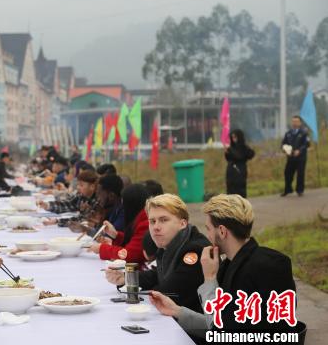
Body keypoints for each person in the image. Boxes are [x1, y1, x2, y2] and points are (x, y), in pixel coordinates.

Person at [148, 194, 297, 336]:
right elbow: (216, 325)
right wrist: (176, 311)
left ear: (222, 231)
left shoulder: (266, 267)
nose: (207, 236)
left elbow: (222, 330)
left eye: (208, 229)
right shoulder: (229, 263)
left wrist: (210, 279)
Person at [105, 194, 210, 313]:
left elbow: (171, 292)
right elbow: (158, 275)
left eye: (164, 220)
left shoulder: (195, 250)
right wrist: (126, 278)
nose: (156, 227)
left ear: (182, 224)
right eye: (152, 221)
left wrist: (134, 284)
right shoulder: (171, 243)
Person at [89, 184, 150, 263]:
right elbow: (132, 242)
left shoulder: (145, 223)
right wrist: (116, 235)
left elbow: (129, 254)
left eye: (124, 204)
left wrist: (101, 248)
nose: (123, 208)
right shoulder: (139, 218)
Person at [281, 115, 310, 197]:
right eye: (293, 121)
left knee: (300, 174)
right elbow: (283, 143)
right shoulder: (288, 133)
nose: (295, 123)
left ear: (300, 123)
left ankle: (300, 190)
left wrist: (299, 151)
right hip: (290, 157)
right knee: (287, 173)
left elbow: (306, 144)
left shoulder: (304, 133)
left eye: (296, 121)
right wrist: (285, 149)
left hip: (301, 157)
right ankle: (288, 189)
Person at [224, 129, 255, 198]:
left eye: (235, 137)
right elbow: (229, 159)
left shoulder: (243, 147)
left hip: (240, 171)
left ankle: (241, 206)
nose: (233, 139)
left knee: (239, 191)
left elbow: (239, 156)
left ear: (239, 137)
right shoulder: (232, 147)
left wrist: (230, 150)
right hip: (231, 172)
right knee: (230, 191)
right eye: (232, 137)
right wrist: (226, 153)